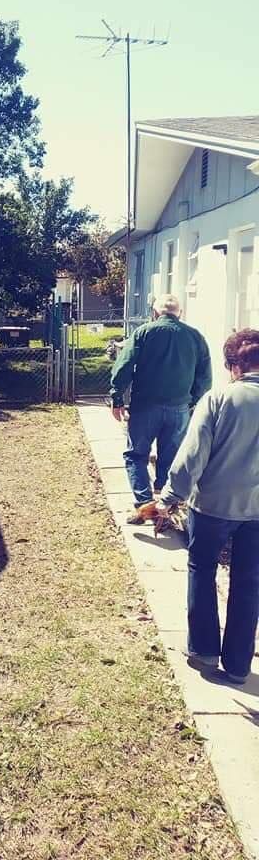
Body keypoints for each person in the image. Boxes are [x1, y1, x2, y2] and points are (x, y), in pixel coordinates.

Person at [156, 329, 259, 685]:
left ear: (233, 366)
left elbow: (192, 456)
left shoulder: (218, 399)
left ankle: (204, 650)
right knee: (249, 583)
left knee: (202, 569)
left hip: (213, 506)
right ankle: (238, 665)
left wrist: (170, 498)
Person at [109, 294, 212, 523]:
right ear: (180, 313)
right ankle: (164, 506)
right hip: (179, 409)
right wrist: (191, 402)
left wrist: (117, 398)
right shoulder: (195, 336)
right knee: (171, 457)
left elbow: (124, 366)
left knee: (136, 455)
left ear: (154, 313)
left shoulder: (144, 332)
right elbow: (205, 378)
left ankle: (144, 504)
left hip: (145, 406)